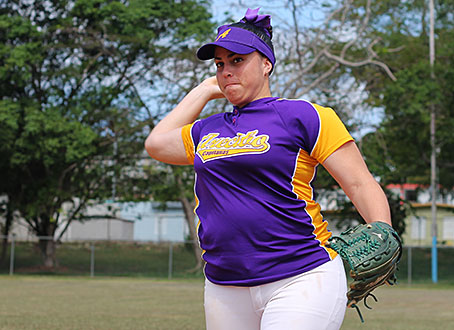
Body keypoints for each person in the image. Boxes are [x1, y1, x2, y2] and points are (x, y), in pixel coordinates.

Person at [145, 8, 392, 330]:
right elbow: (156, 144)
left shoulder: (304, 117)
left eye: (237, 60)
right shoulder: (206, 129)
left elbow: (359, 183)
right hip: (224, 283)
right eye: (220, 65)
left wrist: (383, 231)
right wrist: (205, 90)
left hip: (302, 274)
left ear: (266, 64)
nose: (227, 71)